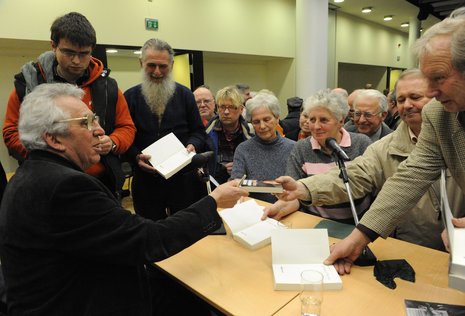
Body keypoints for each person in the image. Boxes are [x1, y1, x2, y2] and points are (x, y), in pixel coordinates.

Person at [0, 83, 248, 315]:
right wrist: (213, 202)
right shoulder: (65, 187)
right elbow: (149, 240)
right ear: (53, 139)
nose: (99, 130)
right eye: (86, 122)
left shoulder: (31, 174)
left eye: (95, 119)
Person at [302, 10, 465, 275]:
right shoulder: (439, 115)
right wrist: (359, 239)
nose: (432, 93)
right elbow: (409, 178)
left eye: (438, 78)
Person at [263, 69, 465, 251]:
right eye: (401, 99)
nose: (407, 105)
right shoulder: (383, 148)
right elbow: (356, 175)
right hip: (409, 245)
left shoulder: (457, 137)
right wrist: (304, 189)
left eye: (415, 97)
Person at [2, 12, 135, 198]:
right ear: (53, 46)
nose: (76, 61)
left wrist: (113, 142)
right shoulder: (27, 85)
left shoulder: (108, 87)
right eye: (69, 52)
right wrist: (55, 153)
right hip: (47, 183)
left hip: (101, 182)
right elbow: (11, 134)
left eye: (84, 54)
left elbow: (126, 127)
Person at [124, 38, 208, 221]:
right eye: (151, 65)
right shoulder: (129, 97)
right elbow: (124, 137)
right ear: (141, 63)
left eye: (163, 66)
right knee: (149, 233)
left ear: (172, 64)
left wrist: (193, 145)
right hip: (146, 181)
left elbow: (198, 132)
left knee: (184, 231)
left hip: (183, 181)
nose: (157, 72)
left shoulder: (185, 95)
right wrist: (136, 157)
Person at [285, 89, 372, 223]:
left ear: (341, 121)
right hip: (315, 222)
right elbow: (295, 193)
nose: (316, 126)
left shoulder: (361, 143)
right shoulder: (301, 148)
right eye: (312, 120)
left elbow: (372, 187)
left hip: (356, 223)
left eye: (324, 120)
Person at [231, 92, 295, 203]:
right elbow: (236, 184)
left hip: (288, 207)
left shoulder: (294, 148)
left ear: (277, 118)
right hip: (253, 209)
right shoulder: (243, 149)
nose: (262, 126)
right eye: (256, 122)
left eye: (266, 120)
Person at [206, 86, 253, 184]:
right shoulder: (206, 133)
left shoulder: (251, 133)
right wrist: (222, 168)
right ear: (217, 108)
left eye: (231, 107)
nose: (226, 112)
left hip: (245, 187)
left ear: (241, 109)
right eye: (222, 107)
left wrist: (240, 168)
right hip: (214, 187)